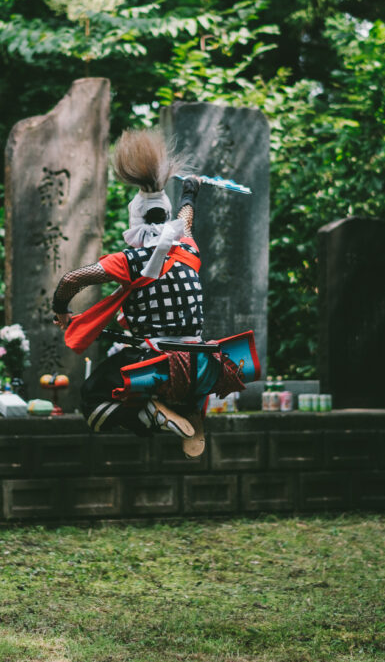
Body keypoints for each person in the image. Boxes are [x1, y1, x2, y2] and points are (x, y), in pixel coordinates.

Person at [51, 129, 256, 458]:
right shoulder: (187, 246)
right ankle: (189, 410)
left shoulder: (127, 262)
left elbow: (71, 280)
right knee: (164, 370)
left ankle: (152, 414)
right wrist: (191, 189)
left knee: (92, 402)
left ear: (135, 218)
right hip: (203, 364)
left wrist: (61, 311)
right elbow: (186, 217)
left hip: (157, 363)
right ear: (167, 213)